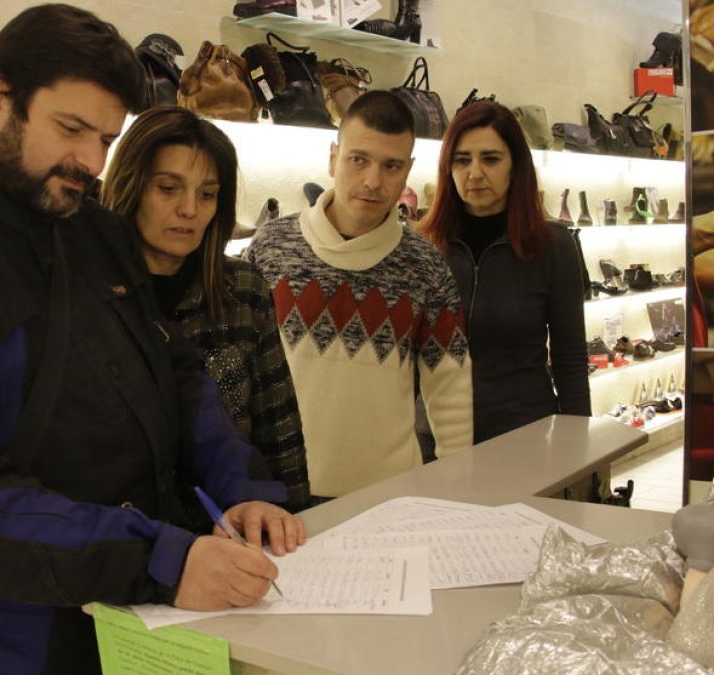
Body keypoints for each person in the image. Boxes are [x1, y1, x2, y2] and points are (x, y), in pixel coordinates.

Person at [0, 5, 304, 673]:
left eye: (107, 139)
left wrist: (239, 488)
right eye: (72, 128)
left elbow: (175, 374)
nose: (90, 160)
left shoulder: (91, 226)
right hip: (2, 632)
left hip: (128, 609)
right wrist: (158, 556)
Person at [245, 90, 473, 500]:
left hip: (391, 497)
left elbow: (450, 384)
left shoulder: (425, 265)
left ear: (408, 171)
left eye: (391, 166)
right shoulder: (270, 247)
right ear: (333, 158)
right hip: (279, 497)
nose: (372, 180)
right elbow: (239, 370)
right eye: (358, 160)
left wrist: (457, 487)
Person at [100, 106, 311, 512]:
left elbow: (279, 432)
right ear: (132, 185)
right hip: (123, 544)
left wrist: (294, 528)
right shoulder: (89, 291)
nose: (189, 210)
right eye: (168, 188)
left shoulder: (242, 289)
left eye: (207, 194)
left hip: (233, 534)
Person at [419, 100, 590, 444]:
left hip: (523, 434)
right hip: (435, 439)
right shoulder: (423, 246)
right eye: (462, 160)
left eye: (491, 159)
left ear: (516, 165)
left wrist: (578, 449)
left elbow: (569, 358)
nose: (475, 173)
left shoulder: (553, 245)